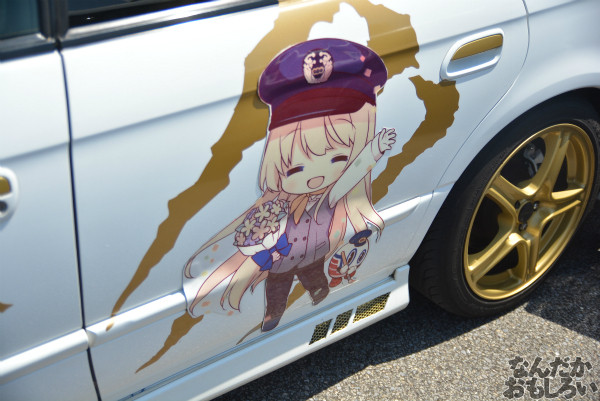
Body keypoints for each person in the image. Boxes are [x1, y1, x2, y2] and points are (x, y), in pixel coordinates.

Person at [183, 38, 395, 332]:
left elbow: (350, 175)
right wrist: (260, 250)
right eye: (296, 168)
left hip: (315, 253)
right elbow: (253, 235)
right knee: (277, 288)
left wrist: (374, 150)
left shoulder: (326, 198)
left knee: (314, 276)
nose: (317, 176)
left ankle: (318, 292)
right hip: (280, 263)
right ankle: (273, 315)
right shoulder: (275, 207)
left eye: (338, 158)